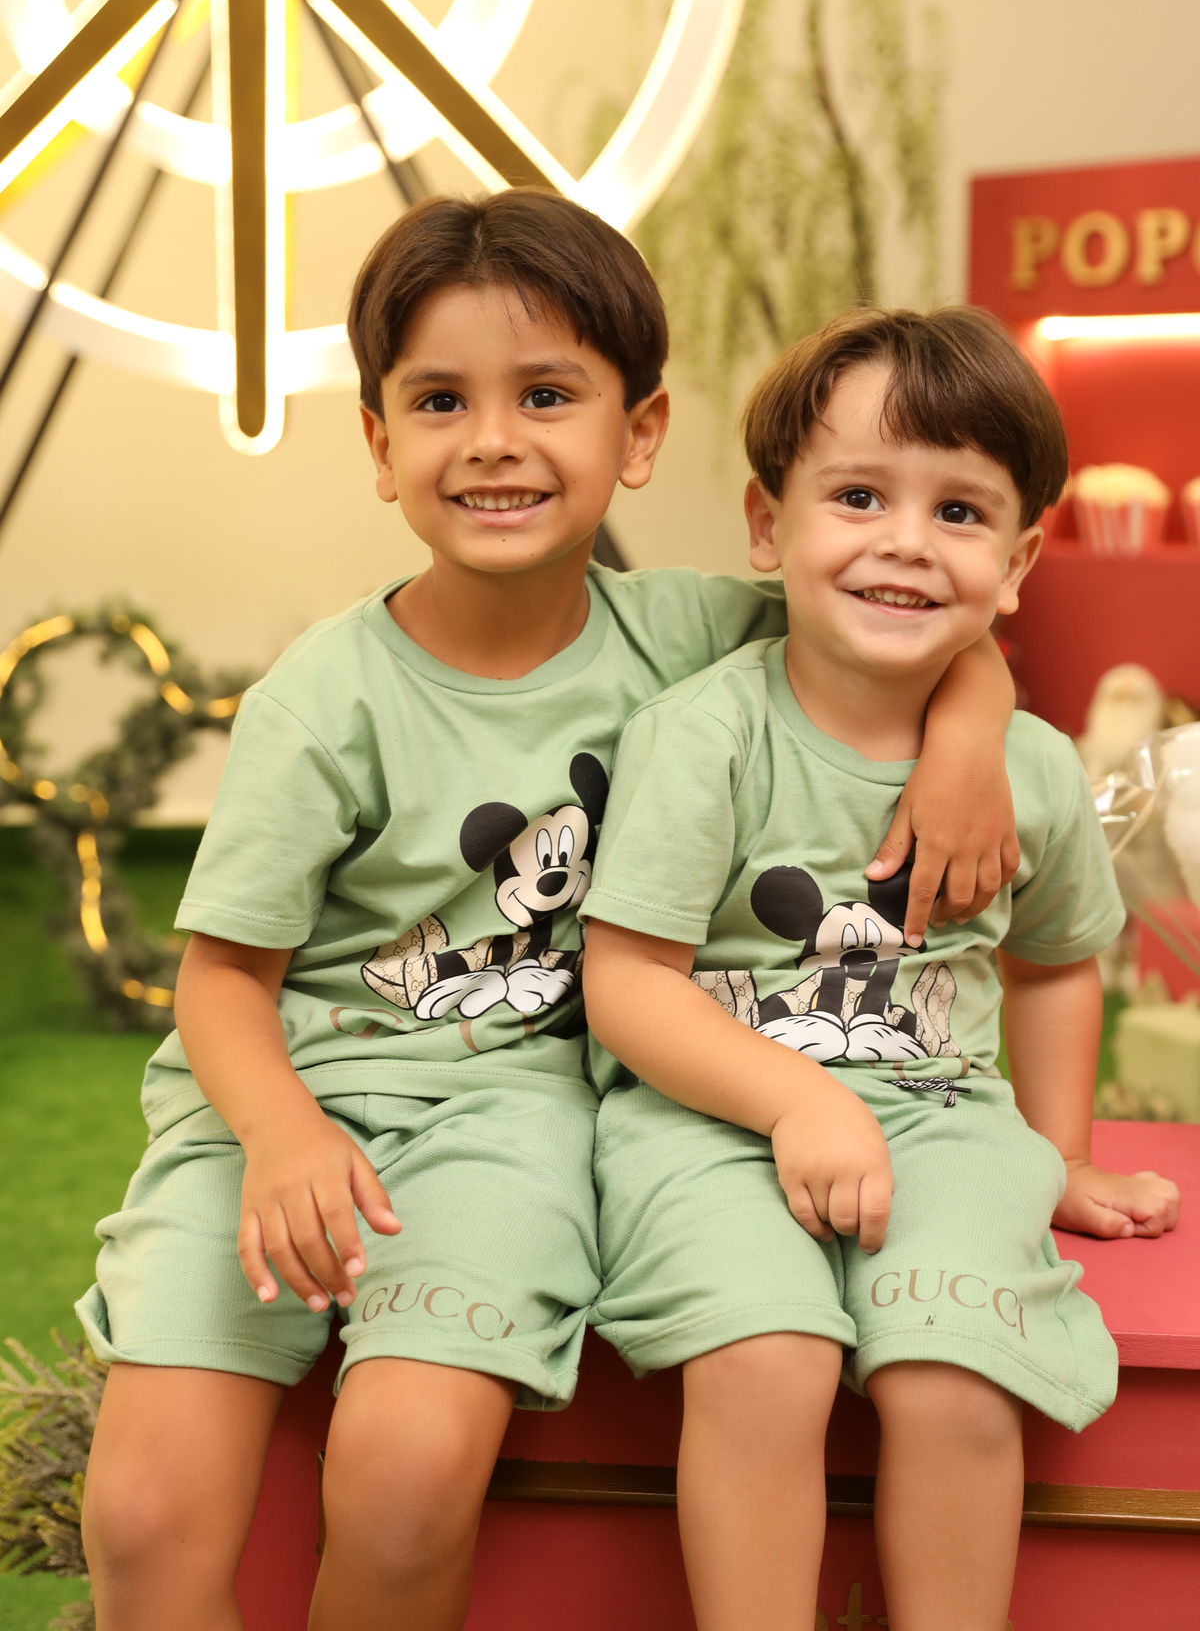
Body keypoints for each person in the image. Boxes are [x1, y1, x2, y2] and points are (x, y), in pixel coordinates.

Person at [78, 198, 1020, 1631]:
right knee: (143, 1515)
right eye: (439, 401)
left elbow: (914, 617)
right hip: (273, 1105)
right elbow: (218, 982)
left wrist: (970, 730)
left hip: (513, 1120)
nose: (493, 441)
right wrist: (281, 1136)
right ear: (380, 445)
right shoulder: (322, 701)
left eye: (546, 396)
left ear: (638, 434)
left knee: (404, 1480)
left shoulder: (694, 634)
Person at [580, 306, 1181, 1631]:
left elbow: (1055, 964)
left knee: (957, 1377)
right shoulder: (706, 735)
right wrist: (798, 1101)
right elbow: (626, 982)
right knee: (765, 1363)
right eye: (858, 496)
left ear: (1018, 562)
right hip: (708, 1121)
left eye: (958, 512)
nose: (906, 541)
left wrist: (1061, 1153)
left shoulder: (1030, 767)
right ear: (767, 525)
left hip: (943, 1118)